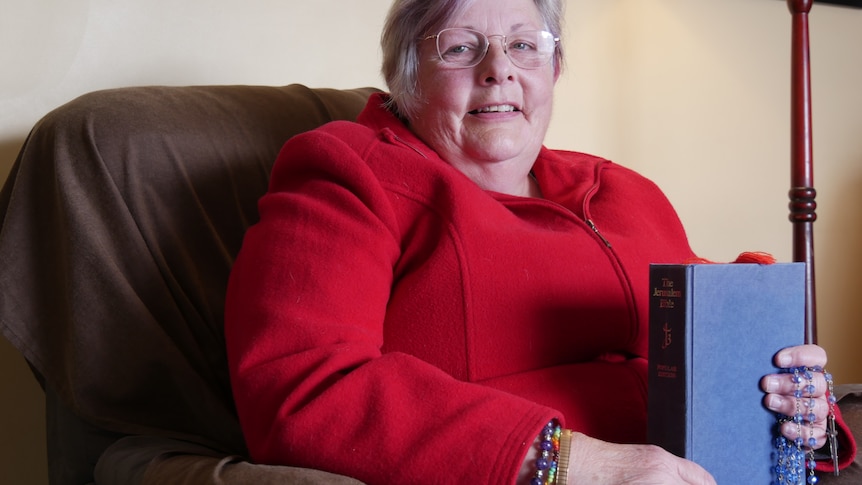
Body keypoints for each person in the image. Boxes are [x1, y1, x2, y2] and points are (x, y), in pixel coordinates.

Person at [224, 0, 856, 483]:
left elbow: (713, 345)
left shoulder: (622, 188)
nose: (499, 70)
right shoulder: (350, 170)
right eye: (460, 47)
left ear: (554, 69)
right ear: (406, 77)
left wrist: (797, 407)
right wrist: (573, 462)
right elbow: (303, 389)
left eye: (525, 45)